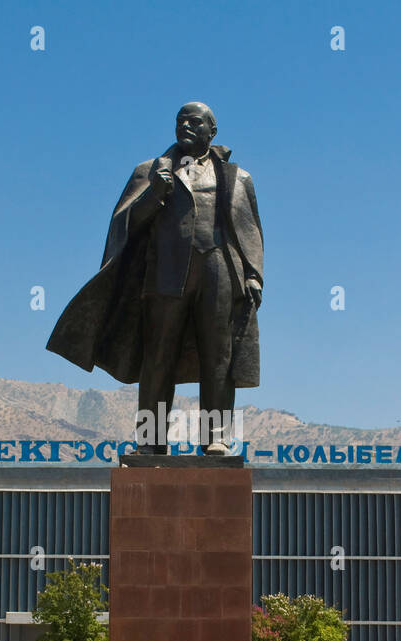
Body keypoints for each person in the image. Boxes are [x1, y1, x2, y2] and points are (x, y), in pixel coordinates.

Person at [47, 102, 264, 454]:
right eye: (180, 121)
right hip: (165, 274)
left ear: (213, 131)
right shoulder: (149, 171)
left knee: (219, 358)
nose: (186, 126)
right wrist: (154, 195)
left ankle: (217, 438)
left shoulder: (237, 178)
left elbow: (250, 229)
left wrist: (253, 275)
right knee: (158, 357)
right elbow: (124, 226)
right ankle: (150, 441)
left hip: (219, 271)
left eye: (195, 122)